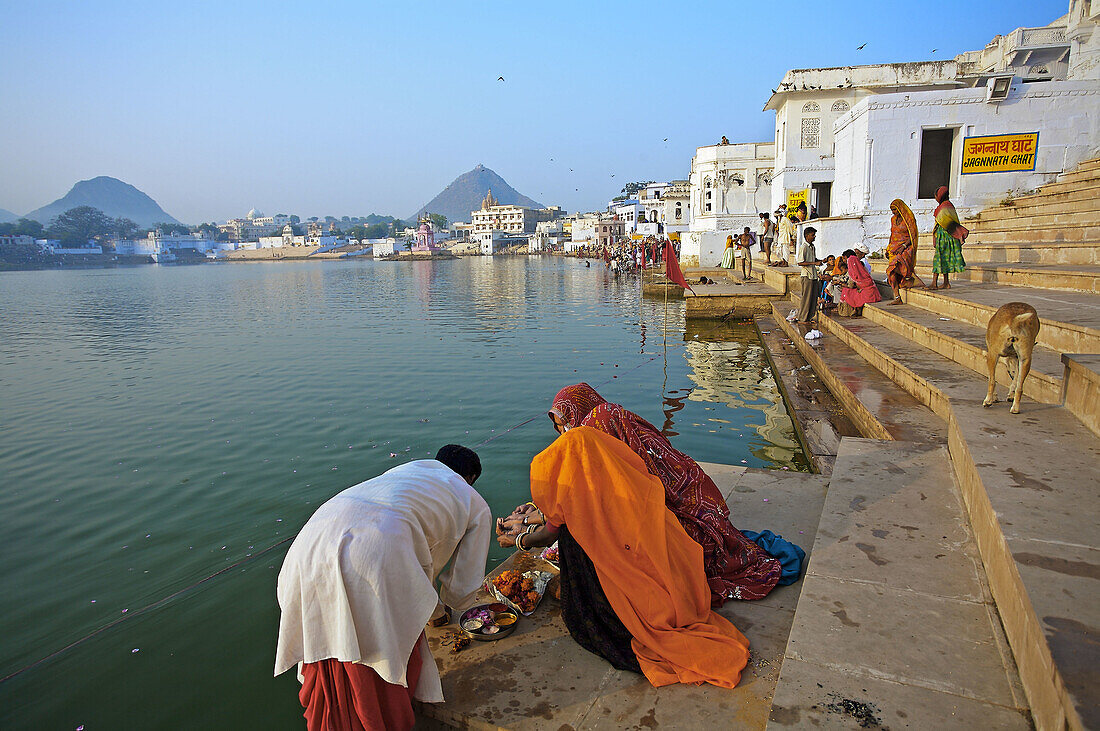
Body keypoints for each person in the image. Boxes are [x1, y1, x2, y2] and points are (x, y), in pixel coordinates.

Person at [501, 426, 753, 687]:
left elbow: (548, 535)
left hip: (619, 584)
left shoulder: (575, 492)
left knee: (571, 536)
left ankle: (597, 615)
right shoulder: (624, 478)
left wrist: (519, 539)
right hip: (662, 576)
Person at [500, 383, 782, 605]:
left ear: (579, 413)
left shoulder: (593, 431)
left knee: (588, 532)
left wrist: (522, 537)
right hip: (700, 498)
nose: (561, 431)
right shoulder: (612, 418)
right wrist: (533, 515)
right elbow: (576, 497)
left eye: (564, 421)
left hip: (682, 520)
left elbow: (579, 506)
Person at [275, 445, 491, 731]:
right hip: (375, 556)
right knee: (380, 663)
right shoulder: (471, 498)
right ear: (471, 477)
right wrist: (446, 606)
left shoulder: (405, 472)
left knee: (325, 651)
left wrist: (433, 610)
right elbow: (461, 589)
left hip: (307, 548)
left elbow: (417, 550)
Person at [885, 198, 924, 304]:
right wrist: (888, 247)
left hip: (906, 248)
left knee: (892, 269)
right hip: (894, 248)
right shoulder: (893, 219)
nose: (893, 212)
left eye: (895, 210)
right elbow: (892, 234)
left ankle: (910, 278)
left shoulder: (908, 219)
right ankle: (897, 297)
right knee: (891, 273)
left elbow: (913, 235)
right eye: (892, 210)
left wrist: (903, 246)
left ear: (900, 209)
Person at [930, 186, 967, 290]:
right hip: (949, 236)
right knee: (944, 259)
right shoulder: (949, 205)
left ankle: (934, 283)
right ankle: (946, 283)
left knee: (938, 259)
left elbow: (943, 221)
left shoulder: (944, 207)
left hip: (945, 236)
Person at [839, 246, 881, 316]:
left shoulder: (856, 269)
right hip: (872, 293)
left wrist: (842, 285)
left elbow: (851, 285)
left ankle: (851, 310)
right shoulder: (860, 268)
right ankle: (855, 309)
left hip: (867, 294)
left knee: (845, 291)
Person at [796, 226, 823, 324]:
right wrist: (814, 264)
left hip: (813, 275)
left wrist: (820, 261)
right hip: (807, 275)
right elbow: (800, 262)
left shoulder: (812, 247)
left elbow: (812, 259)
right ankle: (803, 318)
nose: (814, 237)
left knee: (813, 297)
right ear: (807, 236)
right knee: (806, 298)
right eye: (812, 235)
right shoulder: (804, 247)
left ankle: (809, 317)